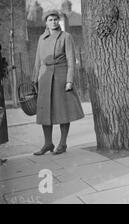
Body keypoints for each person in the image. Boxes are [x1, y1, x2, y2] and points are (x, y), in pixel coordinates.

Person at [32, 10, 84, 155]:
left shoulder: (66, 37)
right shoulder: (41, 38)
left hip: (61, 77)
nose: (54, 22)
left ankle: (62, 144)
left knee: (62, 112)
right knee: (44, 112)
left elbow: (71, 60)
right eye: (50, 20)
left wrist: (69, 80)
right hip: (44, 77)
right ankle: (48, 143)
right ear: (46, 22)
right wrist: (34, 78)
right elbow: (37, 60)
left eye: (56, 19)